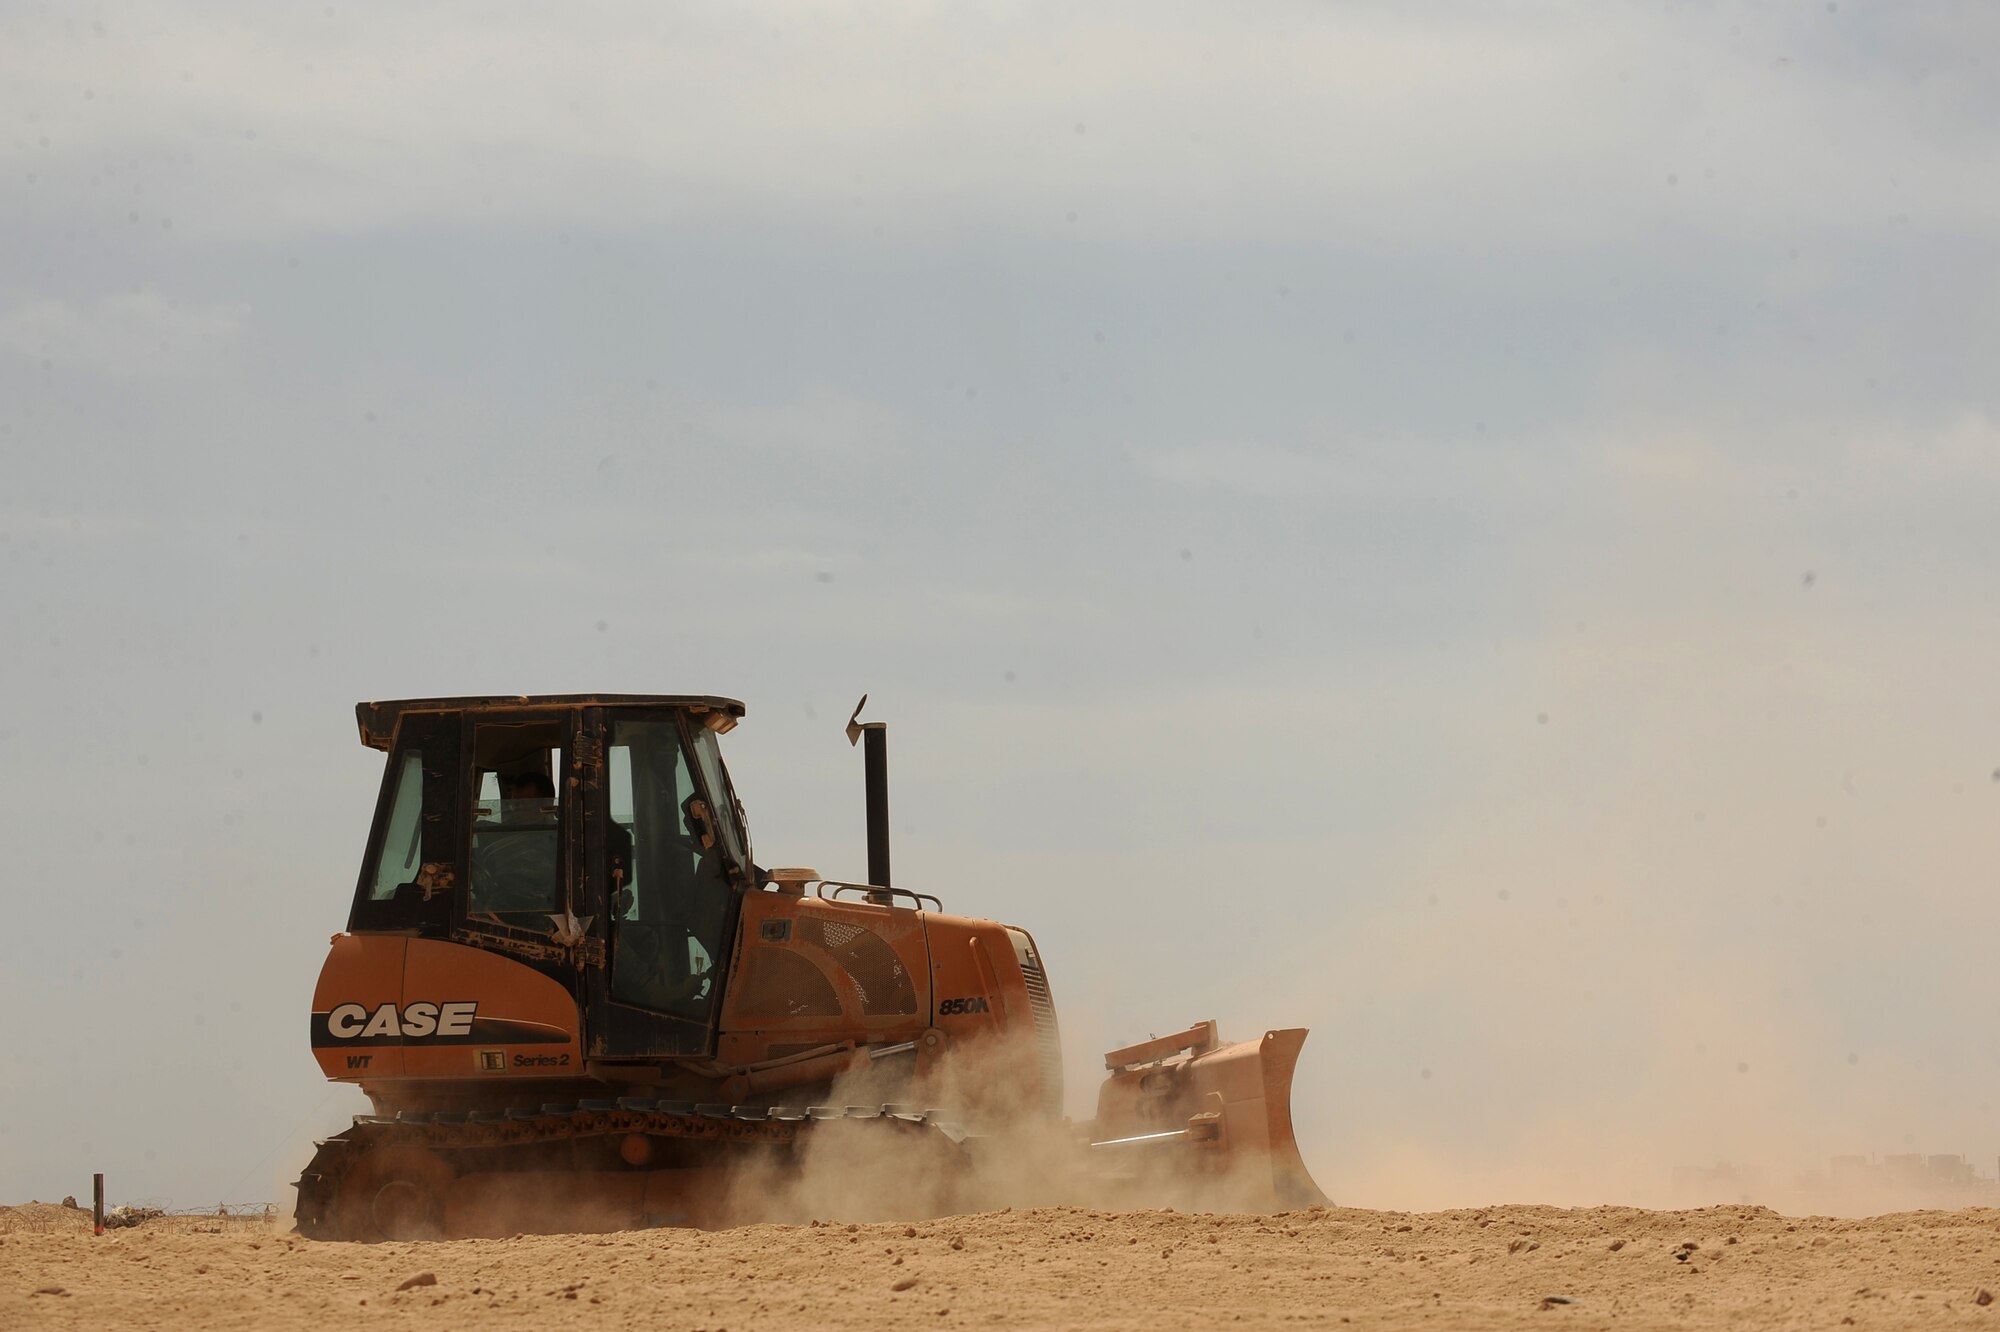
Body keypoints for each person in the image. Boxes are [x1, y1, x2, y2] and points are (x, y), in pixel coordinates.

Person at [470, 771, 561, 914]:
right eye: (513, 804)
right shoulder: (494, 834)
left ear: (546, 804)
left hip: (537, 911)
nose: (515, 811)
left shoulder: (560, 838)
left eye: (524, 805)